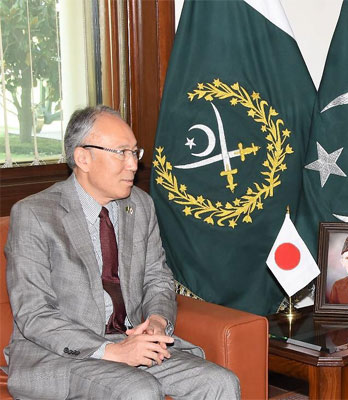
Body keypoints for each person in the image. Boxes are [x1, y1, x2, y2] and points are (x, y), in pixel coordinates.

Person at [3, 106, 240, 399]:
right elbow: (34, 313)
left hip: (130, 340)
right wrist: (111, 350)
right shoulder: (35, 214)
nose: (133, 164)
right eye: (121, 153)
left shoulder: (140, 205)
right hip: (61, 355)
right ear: (83, 158)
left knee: (220, 382)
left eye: (135, 152)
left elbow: (157, 279)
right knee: (139, 390)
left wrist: (157, 322)